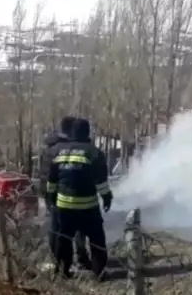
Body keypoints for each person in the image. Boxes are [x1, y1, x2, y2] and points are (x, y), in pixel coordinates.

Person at [45, 117, 113, 280]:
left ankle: (64, 271)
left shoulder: (56, 151)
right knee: (97, 240)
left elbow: (51, 182)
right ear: (87, 132)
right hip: (88, 207)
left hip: (64, 207)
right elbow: (101, 182)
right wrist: (107, 198)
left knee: (64, 240)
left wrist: (51, 200)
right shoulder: (94, 152)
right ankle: (100, 272)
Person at [41, 116, 92, 271]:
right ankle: (76, 260)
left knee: (56, 228)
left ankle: (58, 261)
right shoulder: (68, 147)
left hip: (50, 191)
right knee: (75, 229)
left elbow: (46, 173)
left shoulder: (51, 145)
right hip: (66, 193)